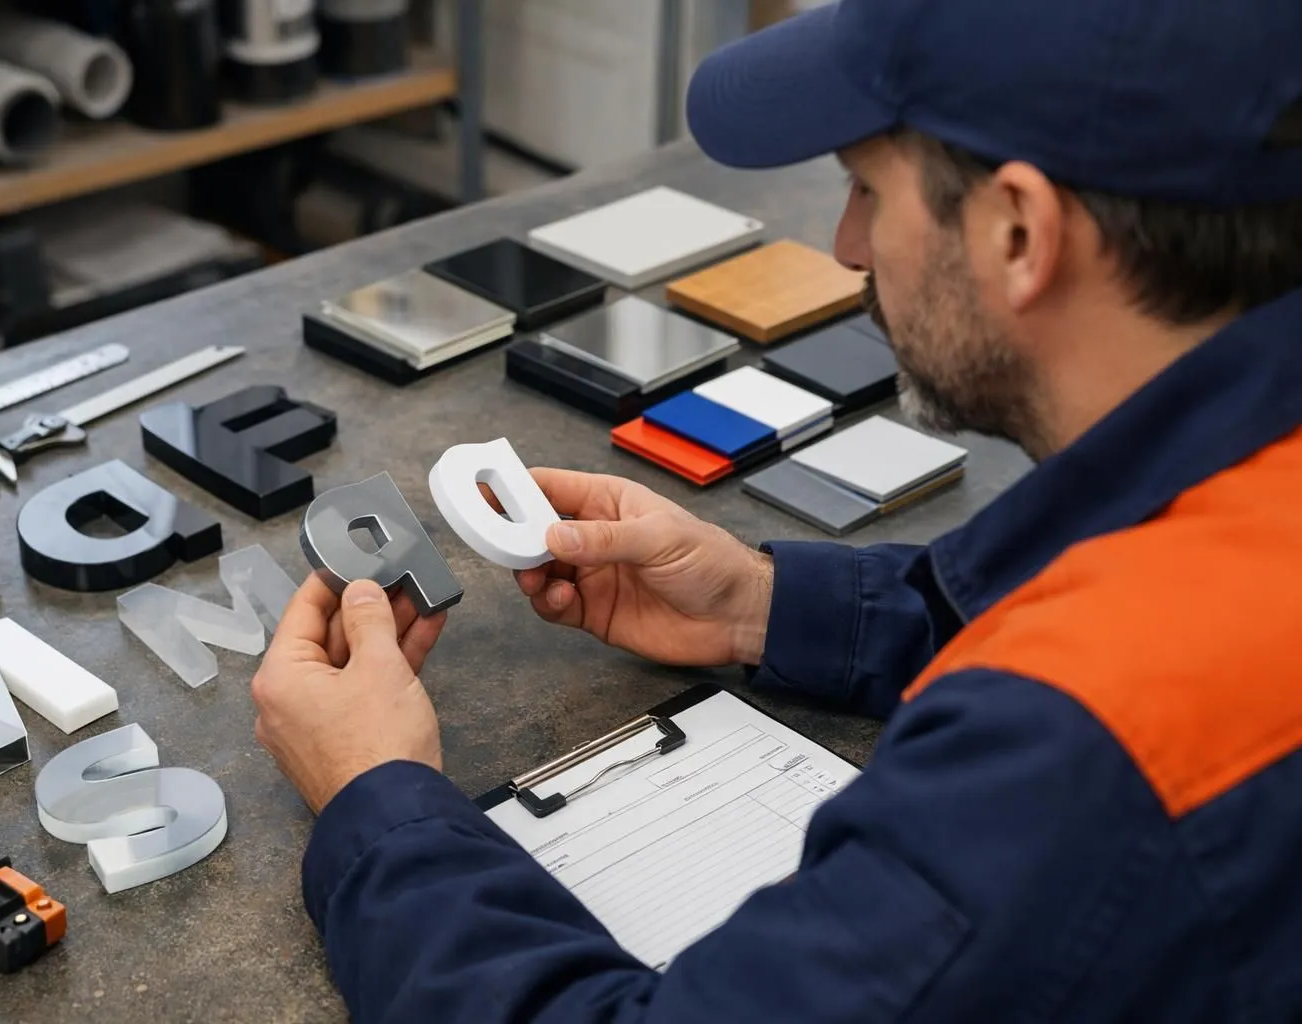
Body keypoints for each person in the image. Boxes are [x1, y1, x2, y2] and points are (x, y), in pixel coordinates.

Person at [251, 0, 1302, 1019]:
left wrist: (379, 798)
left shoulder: (1074, 752)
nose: (847, 245)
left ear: (1021, 232)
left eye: (867, 189)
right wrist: (761, 605)